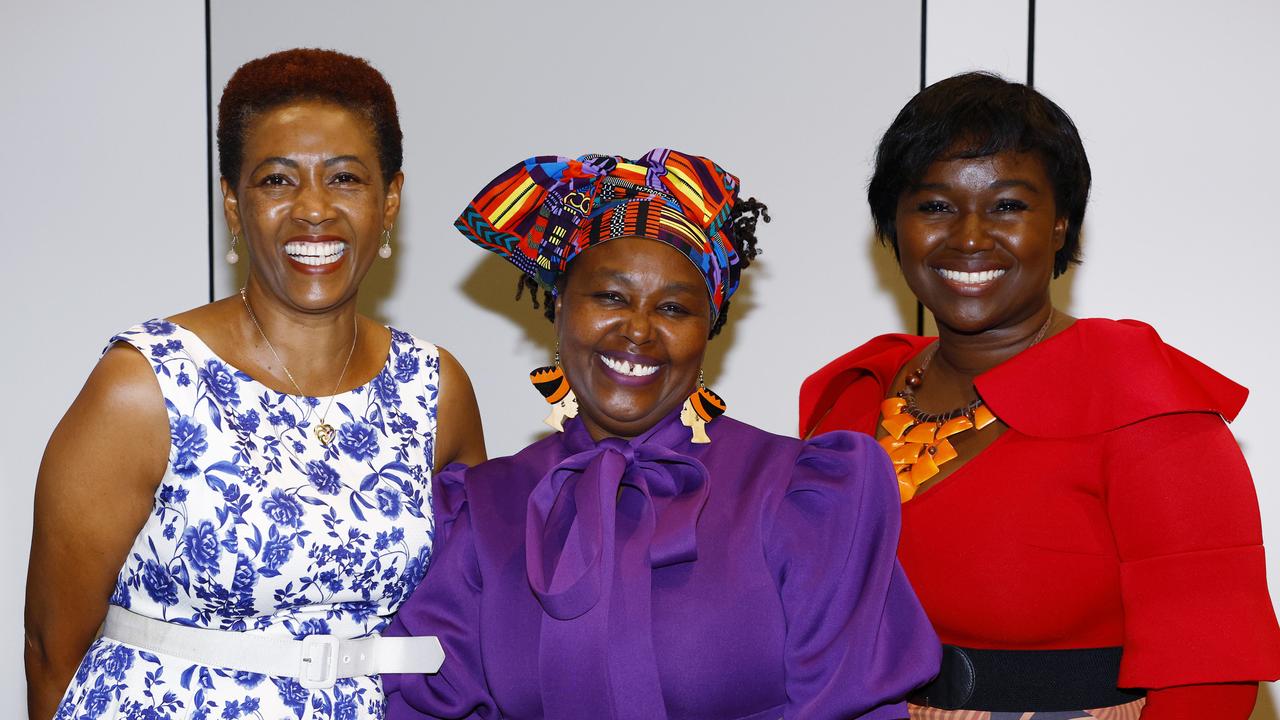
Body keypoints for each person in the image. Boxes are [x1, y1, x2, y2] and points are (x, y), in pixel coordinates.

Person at [383, 149, 940, 719]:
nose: (639, 329)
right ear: (559, 306)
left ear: (709, 330)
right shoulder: (482, 508)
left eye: (673, 308)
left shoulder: (800, 496)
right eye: (609, 297)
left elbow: (847, 705)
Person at [799, 72, 1280, 718]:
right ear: (894, 224)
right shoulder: (855, 397)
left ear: (1060, 224)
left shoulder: (1147, 406)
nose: (969, 236)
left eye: (1007, 205)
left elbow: (1210, 681)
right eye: (935, 205)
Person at [25, 48, 487, 720]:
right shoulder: (145, 384)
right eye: (276, 180)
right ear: (233, 205)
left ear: (389, 201)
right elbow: (50, 650)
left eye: (346, 178)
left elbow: (465, 609)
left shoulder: (435, 388)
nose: (313, 210)